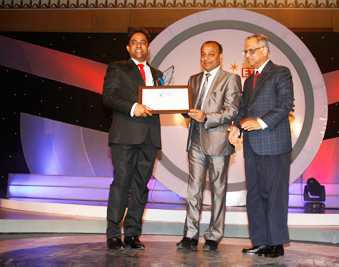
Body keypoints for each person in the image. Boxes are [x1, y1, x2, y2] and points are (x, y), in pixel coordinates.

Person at [227, 34, 294, 258]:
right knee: (255, 195)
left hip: (274, 143)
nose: (248, 55)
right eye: (245, 51)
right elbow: (243, 111)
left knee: (274, 195)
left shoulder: (281, 72)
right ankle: (261, 241)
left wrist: (261, 122)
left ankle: (276, 244)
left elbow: (285, 104)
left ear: (265, 50)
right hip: (252, 147)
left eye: (252, 50)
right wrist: (237, 127)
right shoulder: (248, 80)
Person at [176, 41, 242, 251]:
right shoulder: (193, 79)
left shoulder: (231, 78)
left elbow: (231, 111)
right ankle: (190, 234)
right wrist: (181, 109)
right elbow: (188, 108)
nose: (206, 58)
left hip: (218, 142)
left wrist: (206, 117)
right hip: (195, 140)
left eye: (211, 54)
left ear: (220, 56)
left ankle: (214, 235)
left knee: (218, 190)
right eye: (203, 54)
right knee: (193, 190)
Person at [102, 27, 163, 250]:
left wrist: (182, 106)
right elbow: (108, 97)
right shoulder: (117, 68)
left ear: (148, 47)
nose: (139, 45)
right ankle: (113, 233)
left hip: (150, 137)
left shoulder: (157, 74)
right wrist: (133, 107)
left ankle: (133, 234)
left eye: (143, 42)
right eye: (134, 42)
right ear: (129, 47)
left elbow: (163, 101)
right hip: (125, 136)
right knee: (121, 183)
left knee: (141, 186)